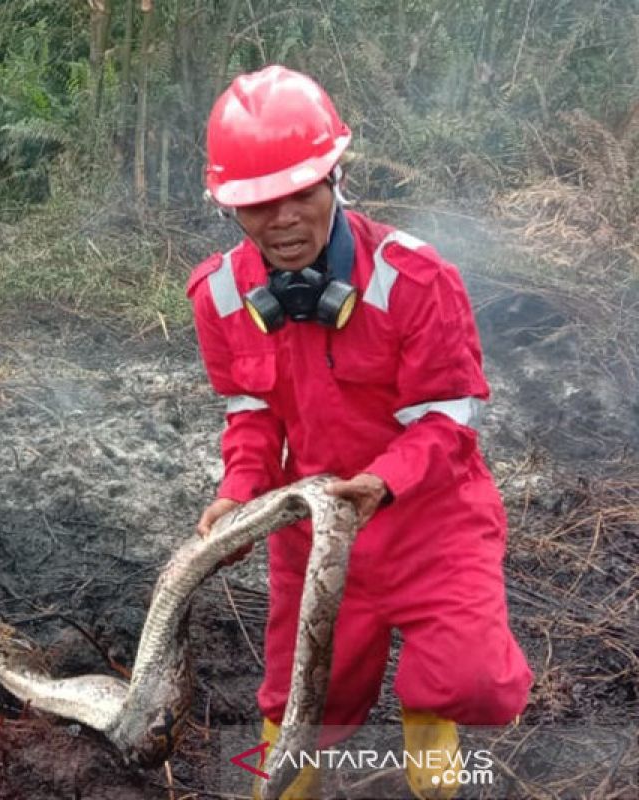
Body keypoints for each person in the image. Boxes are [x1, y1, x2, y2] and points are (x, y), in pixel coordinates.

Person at [187, 65, 532, 800]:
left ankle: (432, 743)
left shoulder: (416, 280)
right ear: (228, 207)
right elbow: (250, 412)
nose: (281, 221)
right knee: (305, 703)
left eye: (301, 195)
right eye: (257, 205)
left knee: (470, 677)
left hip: (430, 522)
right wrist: (241, 495)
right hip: (316, 536)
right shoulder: (219, 294)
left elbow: (448, 416)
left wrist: (384, 482)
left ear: (336, 179)